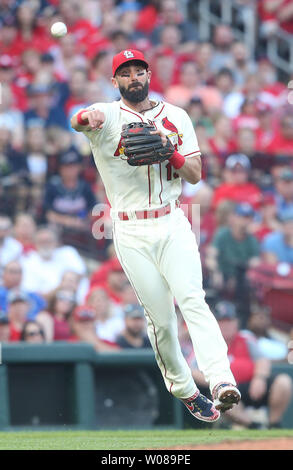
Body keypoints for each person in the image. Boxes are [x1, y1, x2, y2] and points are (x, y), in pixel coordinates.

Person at [70, 48, 241, 423]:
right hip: (130, 228)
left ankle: (221, 380)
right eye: (126, 73)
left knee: (193, 299)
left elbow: (195, 173)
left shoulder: (176, 116)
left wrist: (172, 154)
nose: (134, 78)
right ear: (115, 81)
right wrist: (88, 115)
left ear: (149, 76)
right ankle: (183, 388)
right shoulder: (107, 115)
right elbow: (77, 120)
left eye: (139, 71)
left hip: (172, 219)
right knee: (161, 319)